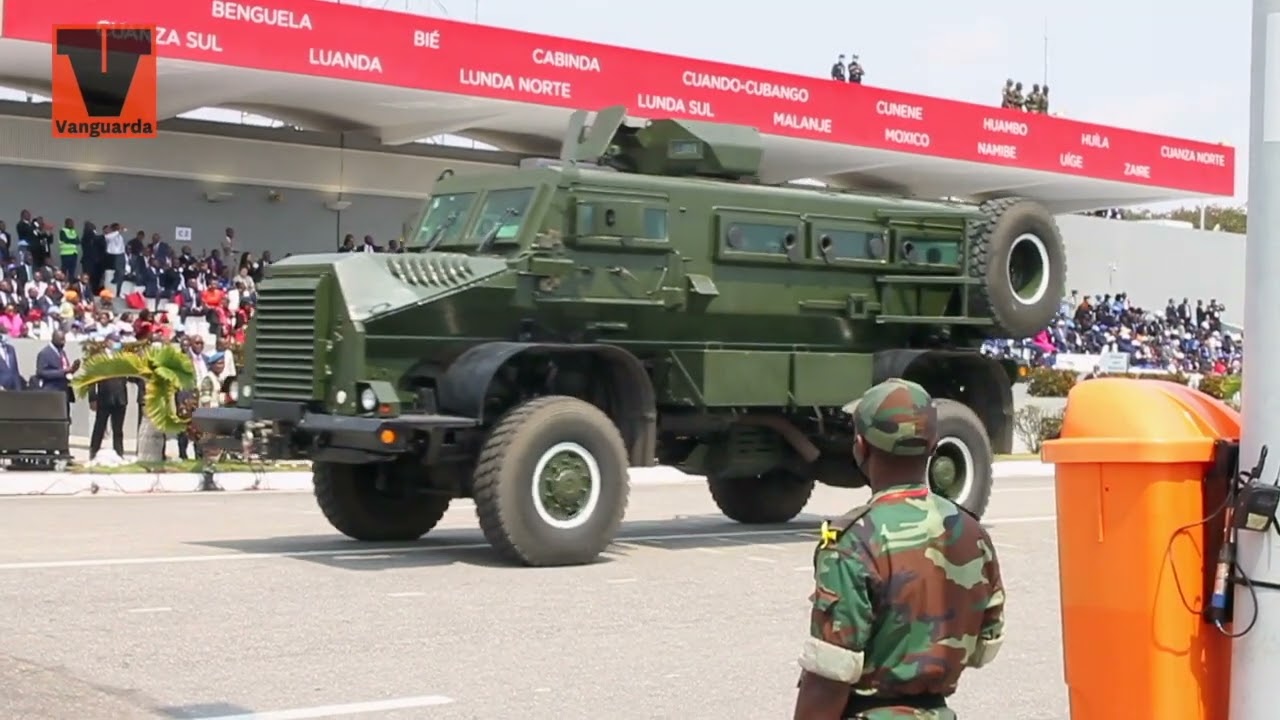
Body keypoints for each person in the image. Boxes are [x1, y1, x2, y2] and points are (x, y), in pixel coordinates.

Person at [793, 379, 1005, 720]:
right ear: (933, 445)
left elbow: (829, 677)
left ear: (860, 447)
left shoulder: (855, 539)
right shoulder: (972, 533)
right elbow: (984, 646)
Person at [86, 336, 136, 461]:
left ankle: (119, 454)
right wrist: (92, 398)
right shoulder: (98, 358)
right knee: (100, 427)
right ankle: (93, 452)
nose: (116, 344)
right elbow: (91, 379)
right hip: (104, 397)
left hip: (120, 398)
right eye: (114, 341)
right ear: (107, 342)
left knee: (118, 429)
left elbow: (130, 375)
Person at [35, 330, 80, 418]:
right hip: (52, 392)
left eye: (64, 339)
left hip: (64, 391)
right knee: (53, 419)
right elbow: (41, 372)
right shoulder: (44, 353)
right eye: (61, 339)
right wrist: (64, 371)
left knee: (65, 418)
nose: (64, 342)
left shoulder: (62, 352)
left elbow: (65, 368)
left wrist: (72, 370)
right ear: (54, 339)